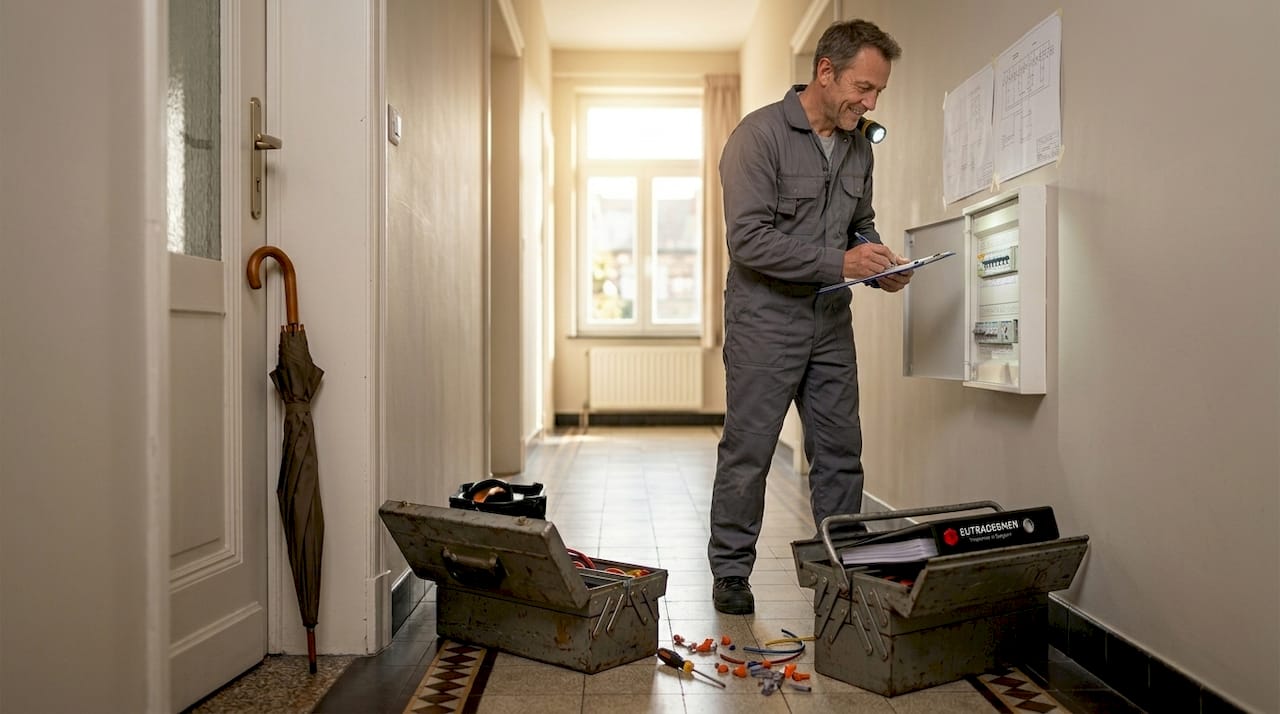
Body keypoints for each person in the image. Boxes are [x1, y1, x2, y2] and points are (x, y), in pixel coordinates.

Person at [708, 19, 910, 615]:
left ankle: (841, 568)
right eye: (863, 88)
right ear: (826, 71)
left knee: (842, 451)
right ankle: (731, 573)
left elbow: (859, 223)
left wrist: (877, 261)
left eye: (878, 93)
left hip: (830, 323)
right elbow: (748, 241)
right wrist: (841, 261)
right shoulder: (758, 137)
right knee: (750, 451)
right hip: (765, 322)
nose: (870, 103)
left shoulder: (857, 145)